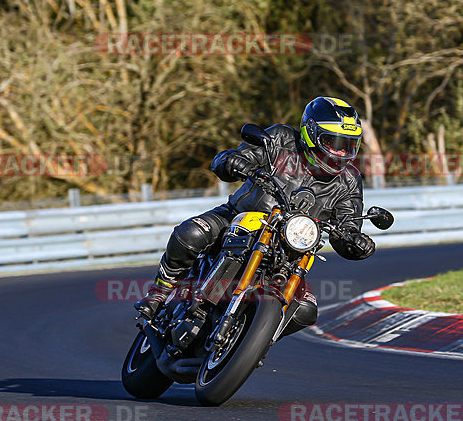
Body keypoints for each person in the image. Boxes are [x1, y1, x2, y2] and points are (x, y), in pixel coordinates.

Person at [135, 97, 376, 334]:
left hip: (289, 253)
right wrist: (233, 161)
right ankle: (160, 292)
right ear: (310, 134)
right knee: (192, 233)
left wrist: (355, 242)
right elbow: (231, 158)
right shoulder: (281, 139)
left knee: (305, 310)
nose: (340, 152)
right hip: (238, 217)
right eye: (333, 142)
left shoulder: (349, 180)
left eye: (348, 145)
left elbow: (348, 224)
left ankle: (251, 339)